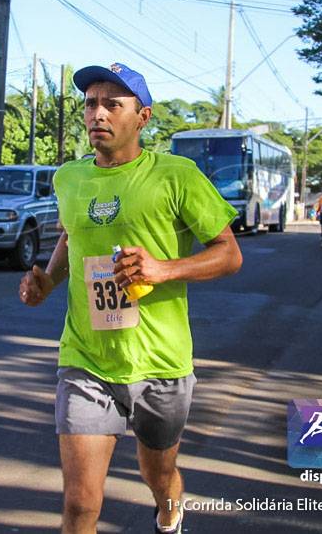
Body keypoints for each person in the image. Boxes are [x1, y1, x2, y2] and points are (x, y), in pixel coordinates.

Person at [18, 62, 242, 534]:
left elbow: (229, 255)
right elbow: (68, 238)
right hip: (86, 358)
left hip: (161, 362)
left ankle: (169, 506)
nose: (97, 113)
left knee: (156, 474)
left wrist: (164, 269)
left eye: (112, 105)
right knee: (80, 502)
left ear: (143, 117)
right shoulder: (68, 179)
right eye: (90, 104)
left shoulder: (177, 175)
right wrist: (47, 282)